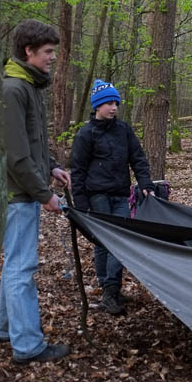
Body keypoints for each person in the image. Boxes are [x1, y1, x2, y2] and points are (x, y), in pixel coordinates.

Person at [0, 19, 71, 364]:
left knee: (15, 264)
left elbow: (34, 143)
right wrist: (44, 194)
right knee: (21, 269)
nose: (52, 57)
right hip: (17, 196)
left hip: (25, 191)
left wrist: (53, 166)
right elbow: (15, 155)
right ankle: (27, 345)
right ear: (28, 51)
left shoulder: (29, 87)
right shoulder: (13, 90)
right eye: (47, 52)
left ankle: (4, 329)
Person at [71, 80, 155, 315]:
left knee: (120, 241)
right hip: (96, 196)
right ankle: (108, 290)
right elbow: (77, 171)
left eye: (116, 103)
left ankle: (111, 288)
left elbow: (138, 158)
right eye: (109, 103)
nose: (113, 107)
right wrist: (82, 205)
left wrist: (145, 183)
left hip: (120, 194)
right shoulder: (86, 134)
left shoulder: (124, 130)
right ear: (97, 106)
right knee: (102, 243)